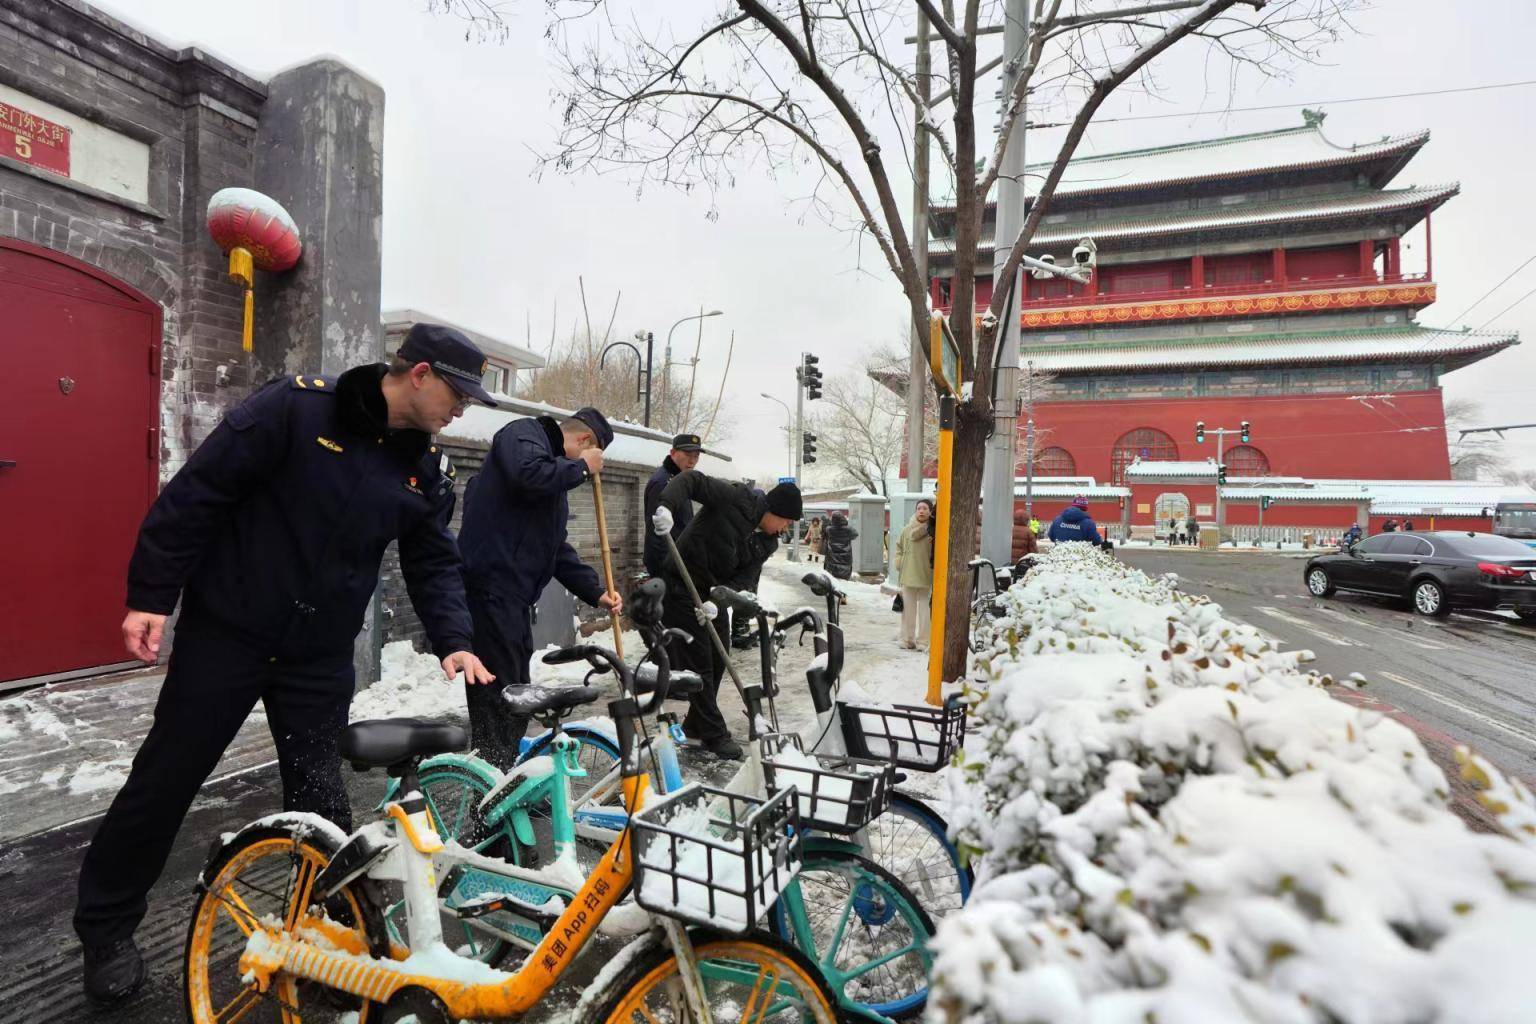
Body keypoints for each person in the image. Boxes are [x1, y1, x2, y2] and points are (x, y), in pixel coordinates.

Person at [73, 323, 497, 1004]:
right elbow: (198, 494)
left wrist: (454, 635)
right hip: (228, 636)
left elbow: (431, 558)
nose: (464, 408)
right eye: (459, 392)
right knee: (166, 781)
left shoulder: (423, 469)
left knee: (319, 798)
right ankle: (106, 929)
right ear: (419, 373)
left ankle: (324, 936)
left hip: (316, 655)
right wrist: (151, 595)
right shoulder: (296, 410)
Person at [457, 405, 622, 769]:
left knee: (515, 693)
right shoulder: (524, 434)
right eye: (591, 451)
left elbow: (555, 549)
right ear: (584, 440)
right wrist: (581, 467)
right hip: (490, 590)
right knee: (501, 695)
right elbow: (527, 474)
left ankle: (505, 778)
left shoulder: (552, 480)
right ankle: (494, 788)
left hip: (512, 600)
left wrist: (594, 591)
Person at [652, 472, 801, 759]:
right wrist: (666, 506)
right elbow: (691, 481)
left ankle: (696, 725)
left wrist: (717, 602)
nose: (784, 529)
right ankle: (713, 733)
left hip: (711, 595)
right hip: (681, 585)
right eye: (785, 521)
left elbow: (745, 577)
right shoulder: (735, 498)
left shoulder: (767, 543)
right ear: (775, 511)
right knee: (701, 662)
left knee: (720, 657)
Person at [643, 433, 703, 577]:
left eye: (696, 456)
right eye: (688, 454)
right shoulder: (663, 482)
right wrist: (667, 569)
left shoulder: (680, 480)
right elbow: (657, 533)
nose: (692, 460)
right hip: (667, 564)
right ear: (673, 453)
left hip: (678, 560)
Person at [894, 498, 935, 649]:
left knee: (925, 610)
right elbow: (899, 547)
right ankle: (907, 639)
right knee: (908, 609)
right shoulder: (907, 529)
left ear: (930, 512)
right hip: (908, 573)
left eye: (925, 508)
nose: (922, 511)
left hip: (926, 573)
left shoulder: (933, 529)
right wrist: (899, 562)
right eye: (919, 508)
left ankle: (923, 641)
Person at [824, 511, 858, 580]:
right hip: (845, 557)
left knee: (833, 578)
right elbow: (855, 534)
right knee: (844, 577)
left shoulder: (829, 529)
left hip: (832, 557)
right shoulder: (848, 530)